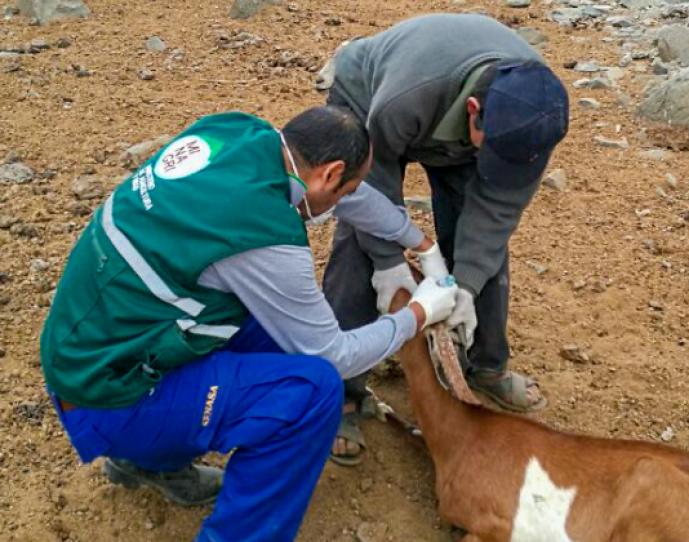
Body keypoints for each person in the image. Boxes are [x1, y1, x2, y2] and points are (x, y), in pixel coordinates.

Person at [40, 106, 457, 542]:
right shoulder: (264, 230)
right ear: (330, 174)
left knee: (279, 335)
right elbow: (334, 355)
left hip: (90, 347)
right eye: (344, 188)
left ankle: (146, 458)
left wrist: (420, 243)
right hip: (108, 396)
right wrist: (418, 314)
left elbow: (352, 197)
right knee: (313, 391)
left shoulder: (241, 133)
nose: (343, 201)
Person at [321, 13, 570, 464]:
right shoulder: (407, 96)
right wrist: (388, 262)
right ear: (475, 112)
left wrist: (467, 287)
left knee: (483, 253)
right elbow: (372, 188)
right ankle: (342, 393)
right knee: (359, 242)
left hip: (455, 131)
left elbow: (495, 212)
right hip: (367, 106)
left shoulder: (534, 114)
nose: (498, 166)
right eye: (492, 151)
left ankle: (486, 364)